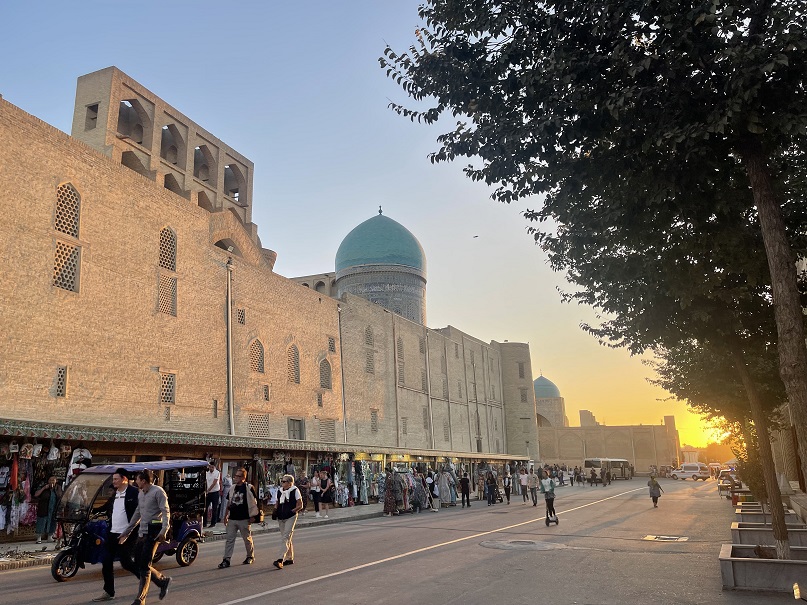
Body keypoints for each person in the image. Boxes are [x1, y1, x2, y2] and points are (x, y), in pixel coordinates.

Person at [119, 469, 172, 605]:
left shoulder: (158, 492)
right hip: (142, 532)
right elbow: (138, 513)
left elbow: (165, 512)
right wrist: (126, 532)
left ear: (143, 481)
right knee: (138, 563)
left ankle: (140, 599)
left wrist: (164, 530)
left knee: (144, 566)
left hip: (154, 533)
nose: (135, 481)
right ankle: (162, 581)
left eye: (137, 479)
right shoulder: (141, 493)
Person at [93, 469, 140, 602]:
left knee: (126, 563)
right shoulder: (115, 494)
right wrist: (89, 510)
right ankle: (109, 592)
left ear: (124, 479)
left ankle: (149, 578)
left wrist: (128, 533)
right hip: (112, 533)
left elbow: (138, 515)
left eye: (115, 479)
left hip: (127, 534)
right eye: (113, 479)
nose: (113, 481)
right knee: (106, 561)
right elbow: (106, 507)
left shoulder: (134, 493)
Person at [218, 467, 258, 568]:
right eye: (235, 475)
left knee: (247, 539)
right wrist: (226, 515)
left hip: (244, 518)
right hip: (233, 518)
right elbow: (229, 502)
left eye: (238, 476)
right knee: (229, 539)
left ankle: (250, 556)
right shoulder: (232, 488)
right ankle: (226, 559)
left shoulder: (249, 488)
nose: (235, 478)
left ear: (243, 478)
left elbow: (255, 502)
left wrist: (253, 516)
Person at [272, 474, 303, 569]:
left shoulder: (295, 491)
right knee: (285, 537)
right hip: (281, 517)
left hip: (290, 516)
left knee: (285, 536)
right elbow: (277, 502)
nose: (282, 483)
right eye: (282, 481)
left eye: (284, 481)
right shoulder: (280, 491)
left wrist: (292, 511)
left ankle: (280, 559)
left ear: (290, 483)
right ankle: (290, 558)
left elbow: (300, 505)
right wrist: (275, 510)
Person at [34, 475, 62, 544]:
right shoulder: (44, 487)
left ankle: (50, 537)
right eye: (50, 480)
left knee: (53, 522)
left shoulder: (58, 488)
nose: (51, 481)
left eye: (53, 480)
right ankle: (39, 538)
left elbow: (60, 496)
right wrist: (44, 488)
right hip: (44, 508)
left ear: (56, 481)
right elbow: (36, 495)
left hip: (53, 508)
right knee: (42, 522)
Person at [205, 461, 221, 528]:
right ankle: (204, 523)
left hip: (215, 492)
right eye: (210, 467)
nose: (211, 468)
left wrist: (208, 490)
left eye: (212, 467)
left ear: (214, 467)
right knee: (205, 508)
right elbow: (206, 481)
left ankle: (213, 523)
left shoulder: (217, 473)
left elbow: (214, 483)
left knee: (214, 508)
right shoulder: (207, 473)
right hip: (208, 493)